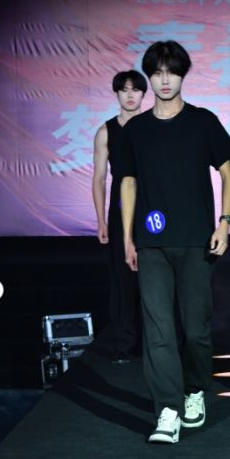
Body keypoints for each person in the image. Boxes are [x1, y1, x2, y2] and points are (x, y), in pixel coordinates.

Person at [119, 41, 230, 444]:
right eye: (157, 73)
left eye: (171, 72)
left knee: (195, 328)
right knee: (158, 330)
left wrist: (224, 224)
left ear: (183, 75)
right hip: (151, 241)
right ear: (149, 78)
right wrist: (128, 238)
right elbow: (128, 182)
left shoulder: (202, 121)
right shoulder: (136, 129)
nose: (164, 80)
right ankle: (167, 409)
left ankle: (194, 390)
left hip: (196, 241)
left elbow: (228, 174)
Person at [93, 70, 146, 363]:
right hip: (119, 208)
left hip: (152, 206)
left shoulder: (153, 126)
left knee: (154, 274)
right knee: (122, 277)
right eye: (124, 89)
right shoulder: (106, 131)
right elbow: (99, 178)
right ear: (116, 93)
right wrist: (101, 220)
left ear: (143, 93)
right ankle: (124, 343)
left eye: (135, 89)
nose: (130, 95)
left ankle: (156, 343)